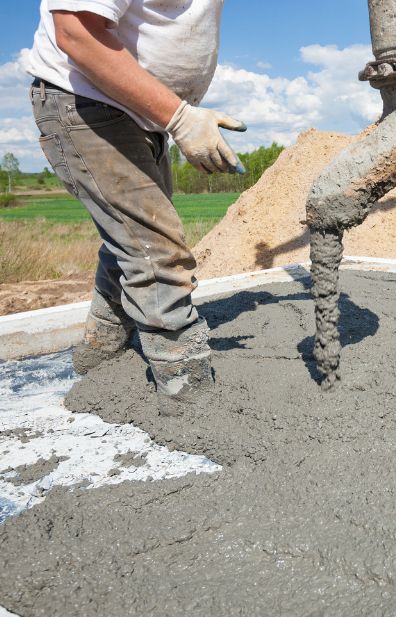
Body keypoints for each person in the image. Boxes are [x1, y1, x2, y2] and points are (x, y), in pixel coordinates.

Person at [25, 0, 245, 415]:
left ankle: (99, 359)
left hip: (142, 112)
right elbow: (76, 31)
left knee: (129, 239)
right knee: (155, 251)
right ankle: (188, 396)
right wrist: (179, 117)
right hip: (85, 100)